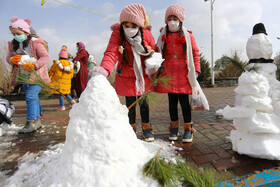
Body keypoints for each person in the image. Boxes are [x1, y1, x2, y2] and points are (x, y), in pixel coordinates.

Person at [91, 4, 156, 142]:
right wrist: (105, 68)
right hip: (126, 76)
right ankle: (130, 129)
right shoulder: (117, 34)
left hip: (142, 77)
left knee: (144, 105)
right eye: (126, 25)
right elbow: (111, 52)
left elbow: (155, 54)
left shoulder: (147, 34)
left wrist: (151, 54)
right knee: (129, 106)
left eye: (133, 25)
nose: (129, 28)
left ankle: (146, 128)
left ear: (139, 24)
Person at [156, 5, 201, 143]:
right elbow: (158, 52)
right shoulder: (163, 36)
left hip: (183, 75)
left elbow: (195, 53)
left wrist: (197, 70)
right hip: (169, 75)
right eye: (169, 18)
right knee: (171, 104)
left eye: (175, 18)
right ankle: (174, 127)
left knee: (184, 104)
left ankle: (188, 128)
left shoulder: (189, 36)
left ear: (180, 20)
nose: (172, 21)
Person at [6, 17, 50, 133]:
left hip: (37, 75)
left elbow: (45, 57)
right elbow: (8, 58)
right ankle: (38, 119)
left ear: (26, 32)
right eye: (13, 34)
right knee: (33, 97)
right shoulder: (14, 45)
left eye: (18, 33)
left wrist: (34, 65)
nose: (15, 36)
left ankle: (31, 122)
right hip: (24, 75)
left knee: (30, 97)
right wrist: (12, 59)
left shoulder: (35, 43)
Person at [49, 46, 76, 111]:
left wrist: (49, 80)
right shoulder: (70, 64)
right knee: (65, 93)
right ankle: (73, 102)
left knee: (60, 93)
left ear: (60, 56)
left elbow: (51, 72)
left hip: (59, 82)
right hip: (67, 82)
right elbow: (71, 75)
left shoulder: (56, 64)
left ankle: (62, 106)